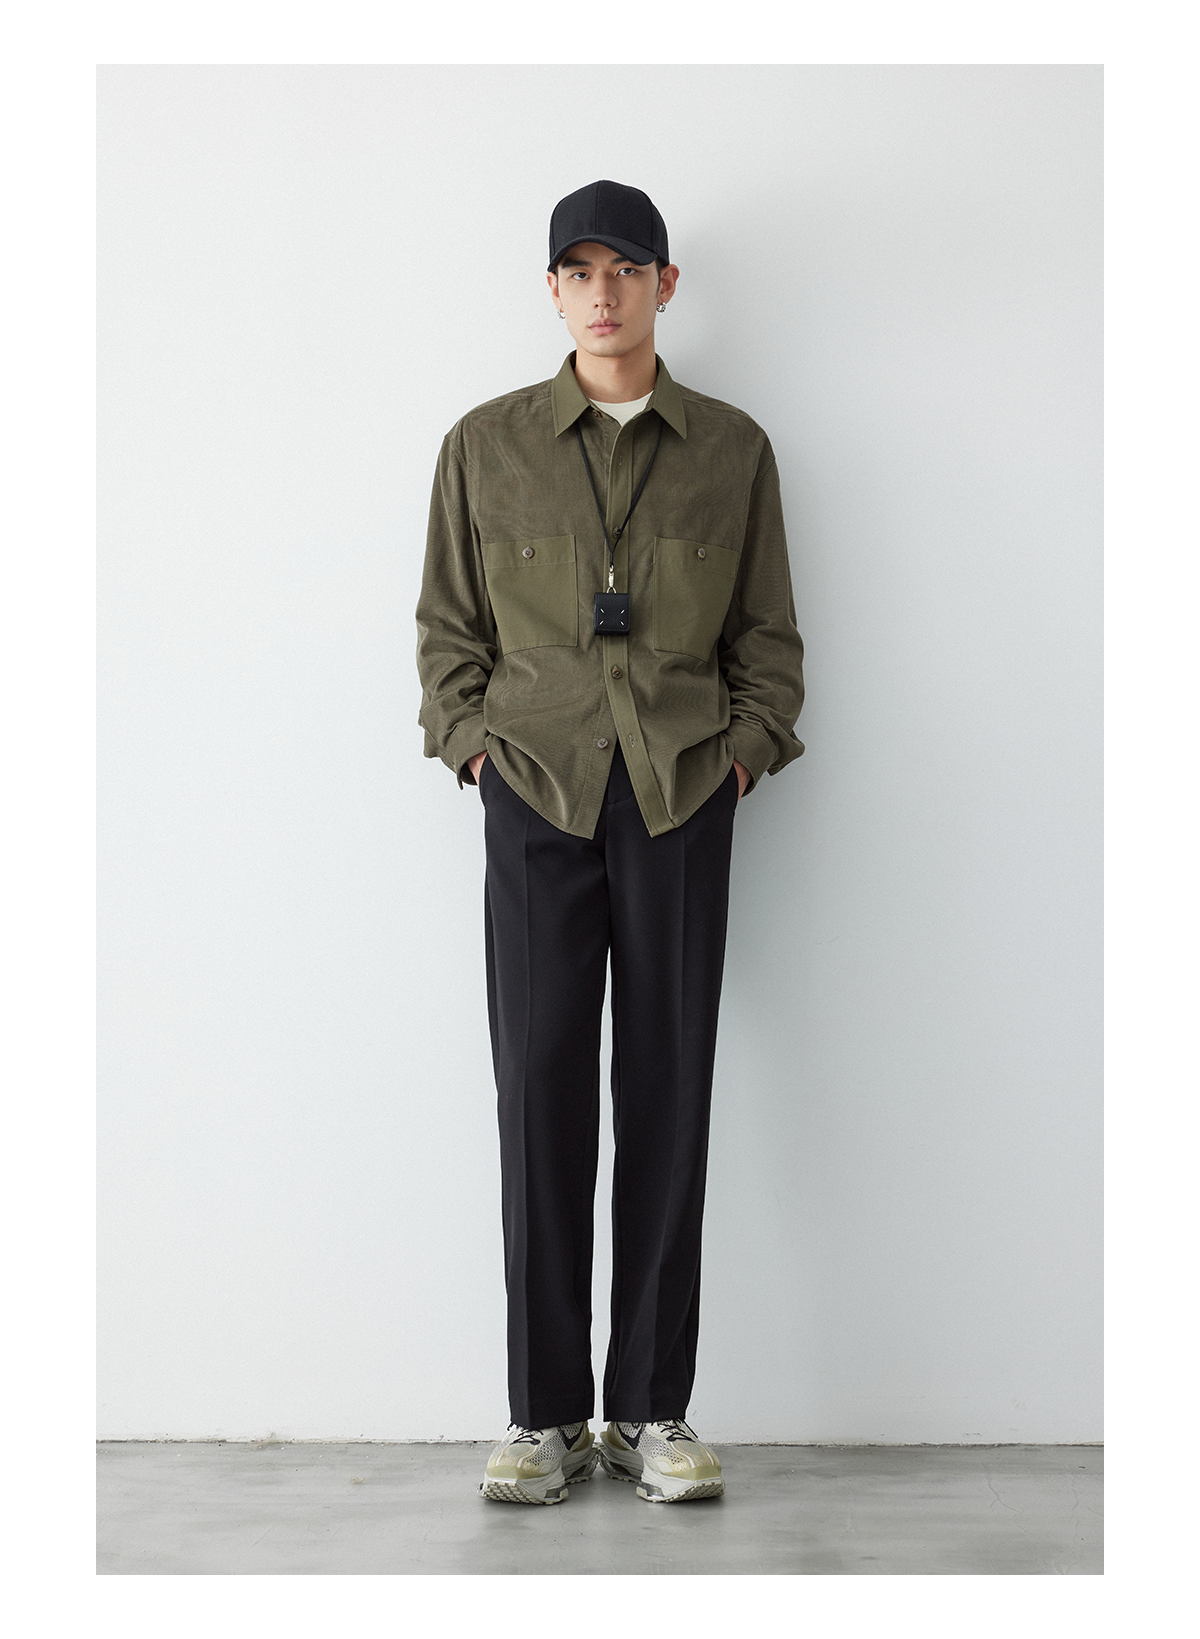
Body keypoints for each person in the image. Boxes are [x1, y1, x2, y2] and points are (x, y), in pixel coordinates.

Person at [415, 179, 806, 1505]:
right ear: (552, 290)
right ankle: (541, 1416)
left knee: (668, 1089)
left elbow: (768, 636)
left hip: (685, 793)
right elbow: (447, 630)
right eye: (578, 270)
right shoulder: (485, 446)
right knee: (537, 1090)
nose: (602, 291)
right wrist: (474, 748)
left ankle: (649, 1408)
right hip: (534, 790)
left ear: (664, 284)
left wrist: (745, 751)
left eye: (625, 268)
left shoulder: (734, 450)